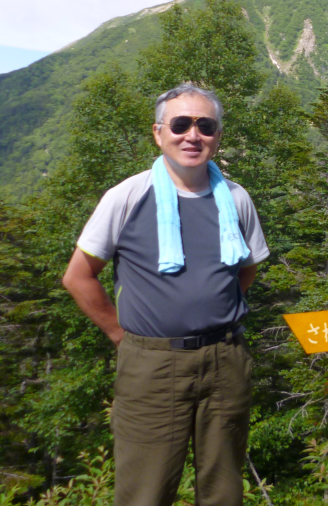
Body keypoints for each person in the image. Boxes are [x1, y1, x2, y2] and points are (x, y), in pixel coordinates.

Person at [62, 83, 269, 506]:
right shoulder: (128, 196)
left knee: (224, 488)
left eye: (205, 126)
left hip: (226, 359)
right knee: (146, 490)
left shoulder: (235, 197)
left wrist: (216, 308)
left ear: (217, 135)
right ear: (159, 133)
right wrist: (121, 335)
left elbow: (246, 267)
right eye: (180, 124)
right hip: (151, 363)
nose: (192, 135)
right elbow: (79, 276)